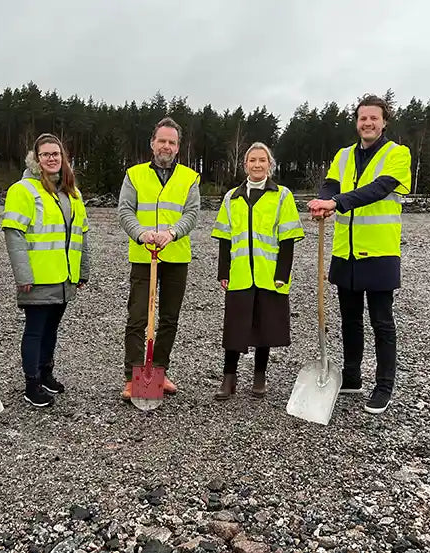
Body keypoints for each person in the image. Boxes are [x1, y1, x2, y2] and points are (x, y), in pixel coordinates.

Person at [307, 94, 412, 415]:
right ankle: (352, 378)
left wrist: (336, 203)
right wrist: (321, 200)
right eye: (362, 118)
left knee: (381, 321)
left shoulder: (398, 154)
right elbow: (330, 185)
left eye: (374, 118)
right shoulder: (343, 155)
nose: (368, 123)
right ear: (357, 122)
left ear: (384, 122)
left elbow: (378, 189)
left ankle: (384, 386)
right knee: (350, 319)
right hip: (345, 250)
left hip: (379, 250)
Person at [1, 134, 90, 407]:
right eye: (45, 154)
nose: (51, 158)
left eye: (56, 154)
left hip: (63, 277)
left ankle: (46, 373)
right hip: (38, 278)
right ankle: (31, 383)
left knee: (52, 329)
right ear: (36, 158)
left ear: (63, 158)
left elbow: (81, 235)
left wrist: (82, 271)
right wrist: (23, 275)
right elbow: (13, 234)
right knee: (35, 330)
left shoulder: (72, 192)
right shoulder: (23, 190)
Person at [211, 142, 304, 399]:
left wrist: (282, 274)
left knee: (265, 326)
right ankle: (229, 378)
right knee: (234, 327)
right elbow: (224, 239)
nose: (257, 164)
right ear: (245, 165)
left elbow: (287, 239)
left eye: (262, 160)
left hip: (269, 273)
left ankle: (259, 376)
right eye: (252, 160)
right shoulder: (232, 197)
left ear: (270, 164)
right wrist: (223, 271)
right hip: (240, 273)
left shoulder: (282, 196)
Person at [117, 117, 200, 400]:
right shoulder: (134, 174)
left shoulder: (190, 178)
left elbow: (192, 214)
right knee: (138, 317)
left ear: (178, 147)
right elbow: (125, 210)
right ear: (152, 144)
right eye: (162, 141)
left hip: (176, 256)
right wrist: (141, 234)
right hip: (143, 255)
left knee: (168, 319)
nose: (166, 146)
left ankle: (159, 373)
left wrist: (172, 232)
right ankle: (132, 376)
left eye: (172, 142)